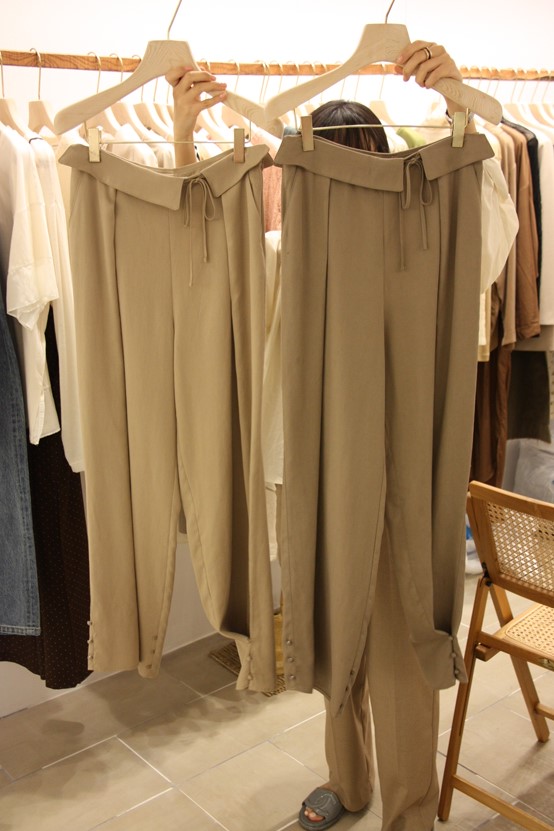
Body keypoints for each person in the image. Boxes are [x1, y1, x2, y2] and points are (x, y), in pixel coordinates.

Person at [167, 40, 517, 831]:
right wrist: (187, 141)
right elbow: (207, 259)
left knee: (399, 643)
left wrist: (461, 103)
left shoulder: (424, 245)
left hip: (399, 474)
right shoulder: (287, 252)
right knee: (333, 636)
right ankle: (349, 779)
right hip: (314, 470)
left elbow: (490, 235)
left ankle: (408, 808)